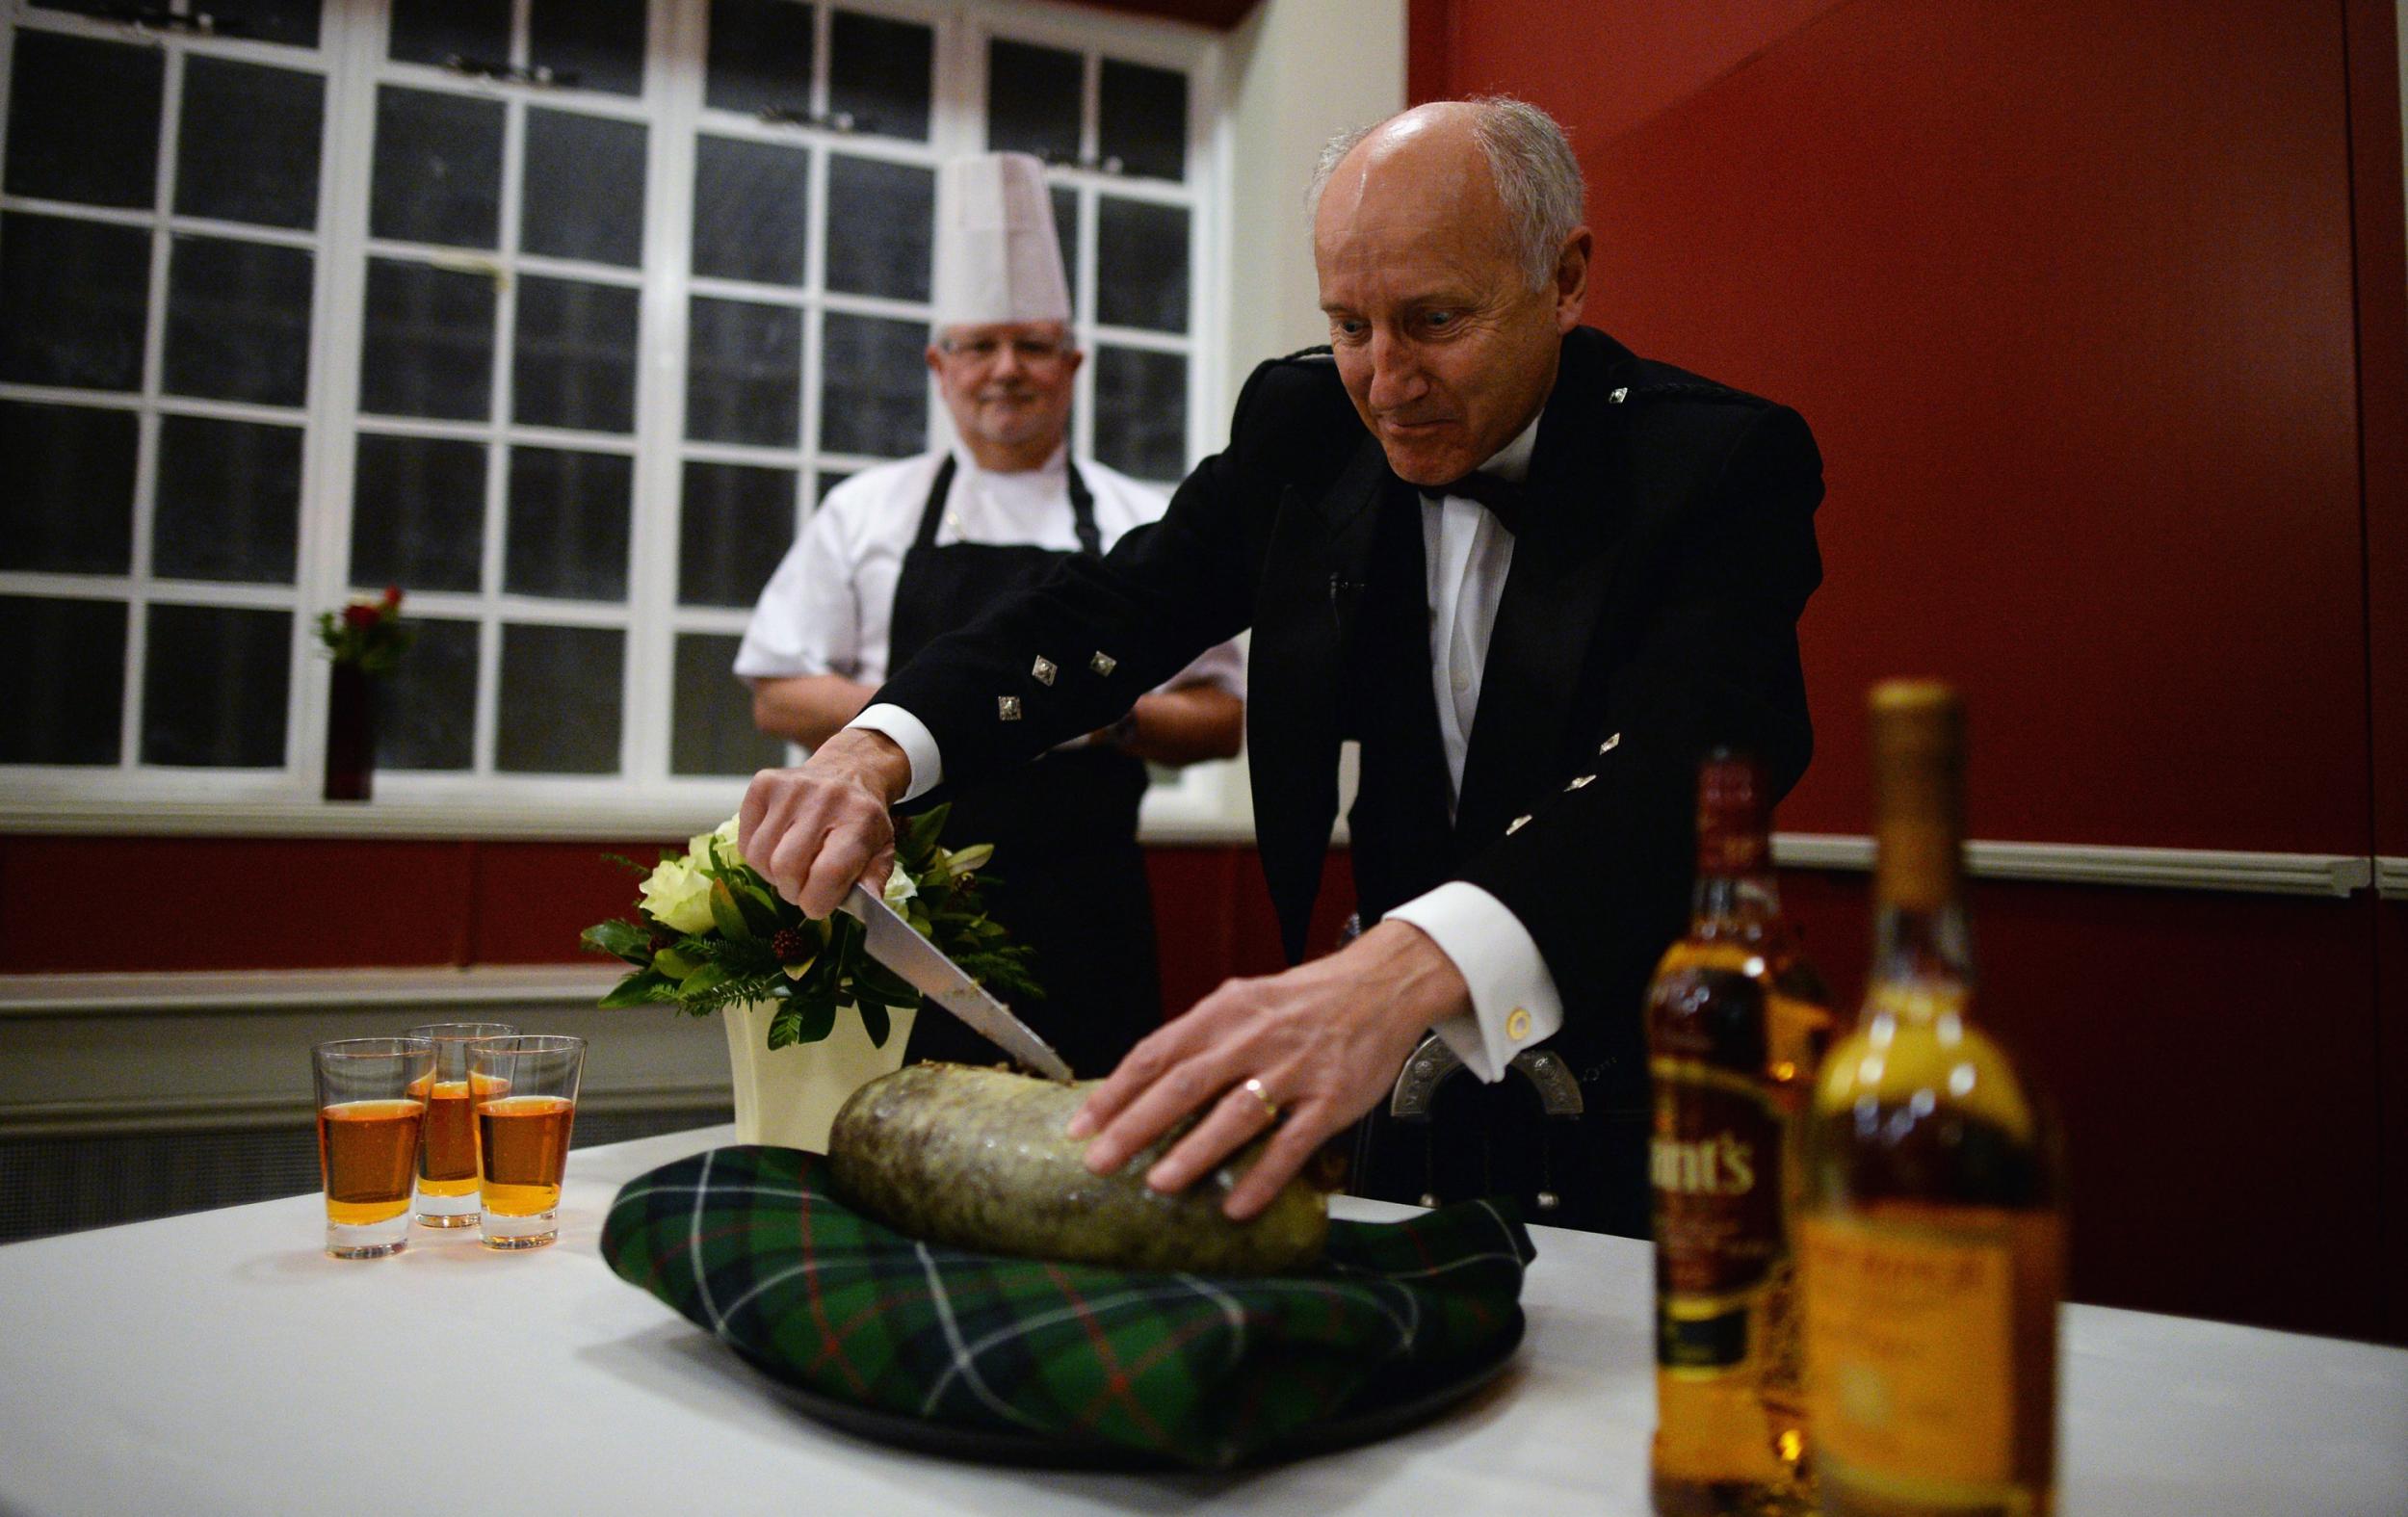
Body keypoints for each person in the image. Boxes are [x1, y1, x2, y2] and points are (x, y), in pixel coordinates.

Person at [737, 99, 1823, 1237]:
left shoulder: (1713, 464)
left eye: (1434, 320)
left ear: (1564, 278)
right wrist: (875, 749)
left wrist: (1397, 973)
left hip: (1645, 1088)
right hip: (1401, 1088)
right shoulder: (1306, 425)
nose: (1385, 381)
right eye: (1350, 324)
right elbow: (1111, 607)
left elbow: (1686, 769)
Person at [733, 151, 1244, 1079]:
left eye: (1034, 345)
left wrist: (1100, 719)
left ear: (1073, 363)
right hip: (901, 897)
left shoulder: (1143, 520)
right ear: (939, 364)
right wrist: (933, 717)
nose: (1006, 370)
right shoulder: (867, 509)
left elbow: (1226, 718)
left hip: (1090, 905)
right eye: (979, 346)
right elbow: (775, 691)